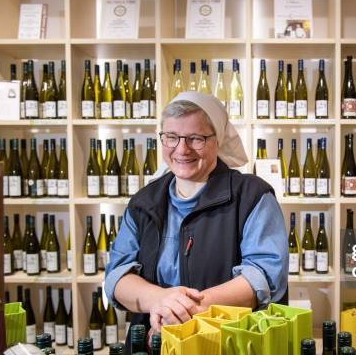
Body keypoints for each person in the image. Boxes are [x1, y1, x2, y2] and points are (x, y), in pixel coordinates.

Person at [105, 91, 288, 335]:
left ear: (217, 140)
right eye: (171, 137)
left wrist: (182, 311)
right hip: (153, 351)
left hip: (226, 351)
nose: (182, 149)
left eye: (195, 138)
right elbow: (117, 276)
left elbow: (263, 277)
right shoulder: (143, 202)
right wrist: (159, 300)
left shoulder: (252, 197)